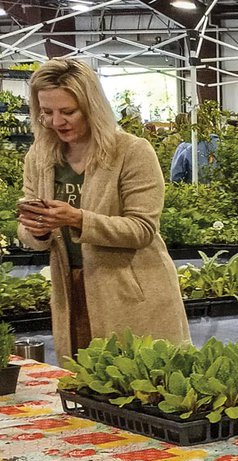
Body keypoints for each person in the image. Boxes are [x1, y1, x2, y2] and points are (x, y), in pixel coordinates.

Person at [16, 58, 189, 362]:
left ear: (92, 107)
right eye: (47, 112)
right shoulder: (40, 157)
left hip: (130, 293)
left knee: (139, 385)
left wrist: (78, 219)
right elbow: (29, 229)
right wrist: (37, 230)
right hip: (71, 290)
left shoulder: (132, 152)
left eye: (68, 111)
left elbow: (142, 229)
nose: (58, 122)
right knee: (82, 383)